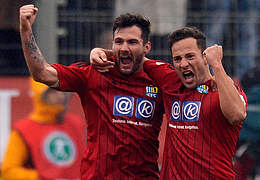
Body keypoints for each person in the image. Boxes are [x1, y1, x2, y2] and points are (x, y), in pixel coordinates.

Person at [19, 4, 164, 179]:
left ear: (146, 47)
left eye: (132, 42)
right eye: (119, 42)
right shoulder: (93, 74)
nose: (124, 48)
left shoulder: (160, 79)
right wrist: (25, 29)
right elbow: (41, 72)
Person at [91, 27, 247, 179]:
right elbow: (135, 57)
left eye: (190, 56)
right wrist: (100, 52)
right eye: (177, 59)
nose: (183, 64)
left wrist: (217, 66)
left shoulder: (224, 90)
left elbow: (237, 115)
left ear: (205, 58)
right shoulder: (170, 81)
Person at [1, 78, 85, 180]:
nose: (61, 95)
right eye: (53, 91)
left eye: (63, 91)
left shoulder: (77, 124)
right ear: (41, 95)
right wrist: (40, 177)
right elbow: (8, 172)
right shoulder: (24, 130)